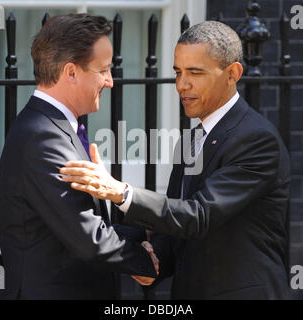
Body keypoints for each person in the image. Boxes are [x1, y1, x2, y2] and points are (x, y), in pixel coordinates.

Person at [60, 21, 291, 299]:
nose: (182, 85)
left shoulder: (256, 139)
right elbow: (177, 230)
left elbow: (199, 215)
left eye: (195, 72)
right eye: (178, 72)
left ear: (233, 73)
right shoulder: (194, 137)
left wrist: (120, 192)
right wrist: (151, 262)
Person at [0, 13, 159, 300]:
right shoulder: (44, 137)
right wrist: (147, 262)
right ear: (71, 72)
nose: (110, 81)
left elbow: (81, 221)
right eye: (104, 70)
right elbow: (88, 237)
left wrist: (146, 237)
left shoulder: (56, 127)